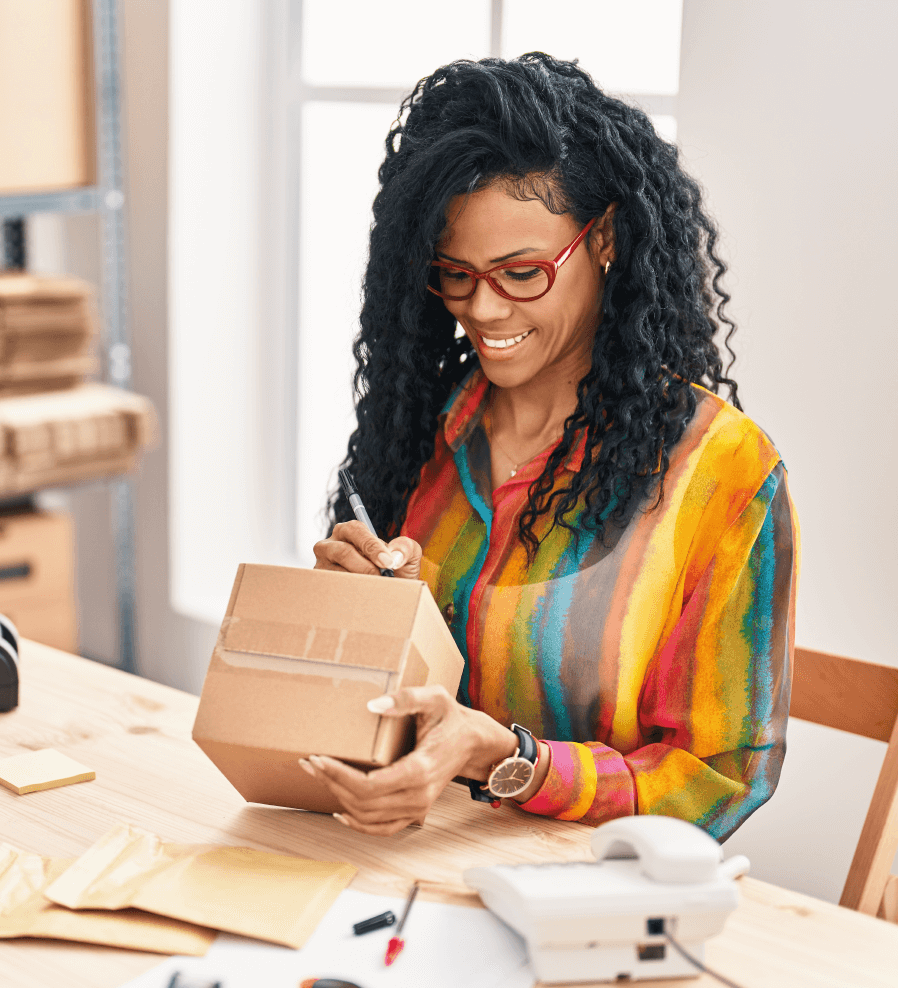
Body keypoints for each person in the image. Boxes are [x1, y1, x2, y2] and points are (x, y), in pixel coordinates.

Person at [302, 54, 798, 841]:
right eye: (453, 274)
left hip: (588, 901)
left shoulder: (722, 473)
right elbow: (372, 706)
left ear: (602, 238)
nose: (483, 309)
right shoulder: (425, 426)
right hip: (402, 865)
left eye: (521, 272)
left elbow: (722, 779)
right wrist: (342, 618)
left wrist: (512, 759)